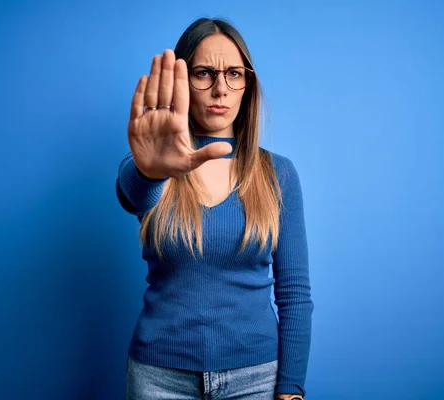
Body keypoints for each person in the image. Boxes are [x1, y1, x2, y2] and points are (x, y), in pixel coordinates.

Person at [116, 17, 314, 400]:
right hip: (160, 379)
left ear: (248, 85)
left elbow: (294, 292)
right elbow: (132, 195)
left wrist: (291, 387)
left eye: (234, 74)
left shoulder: (279, 174)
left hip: (255, 379)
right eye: (204, 73)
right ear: (181, 81)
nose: (220, 89)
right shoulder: (153, 163)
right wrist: (149, 171)